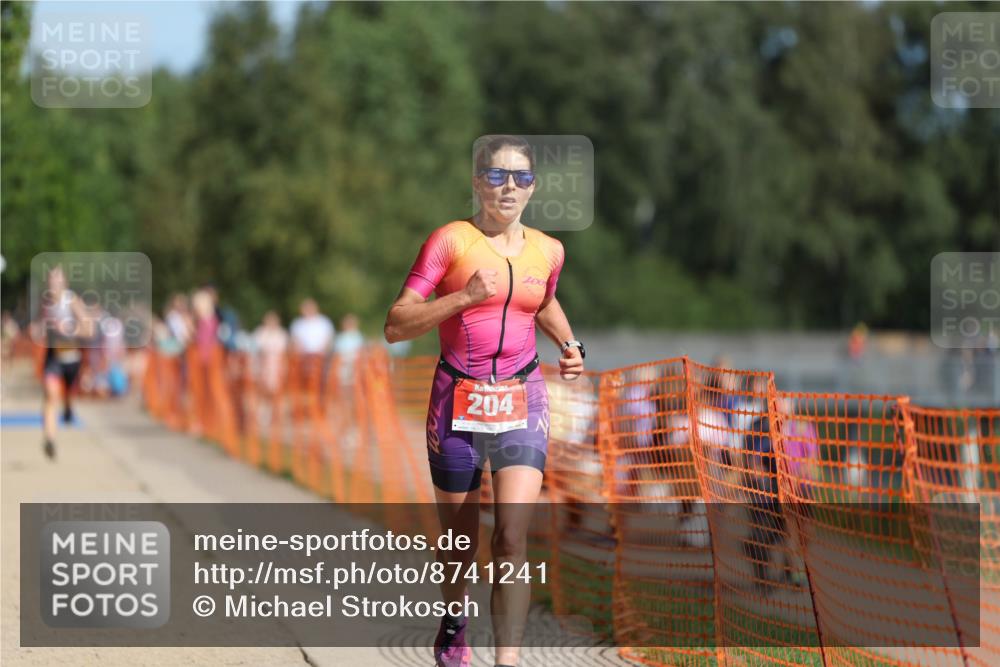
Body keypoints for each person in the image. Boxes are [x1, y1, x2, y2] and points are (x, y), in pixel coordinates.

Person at [384, 135, 584, 667]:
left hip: (523, 397)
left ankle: (508, 661)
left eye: (520, 177)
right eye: (496, 176)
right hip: (457, 398)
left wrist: (569, 345)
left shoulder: (550, 250)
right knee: (460, 544)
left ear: (533, 186)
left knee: (512, 539)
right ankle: (454, 623)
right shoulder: (450, 241)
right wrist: (464, 297)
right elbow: (396, 324)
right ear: (477, 183)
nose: (508, 187)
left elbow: (541, 299)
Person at [38, 266, 94, 459]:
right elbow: (42, 327)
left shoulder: (71, 301)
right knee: (50, 396)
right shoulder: (46, 304)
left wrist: (69, 330)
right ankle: (50, 440)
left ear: (64, 283)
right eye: (51, 281)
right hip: (53, 357)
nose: (53, 285)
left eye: (57, 281)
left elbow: (89, 329)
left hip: (71, 358)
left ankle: (69, 409)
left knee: (67, 396)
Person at [333, 313, 364, 385]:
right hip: (342, 363)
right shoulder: (340, 337)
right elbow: (337, 352)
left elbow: (360, 351)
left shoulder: (358, 336)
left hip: (355, 363)